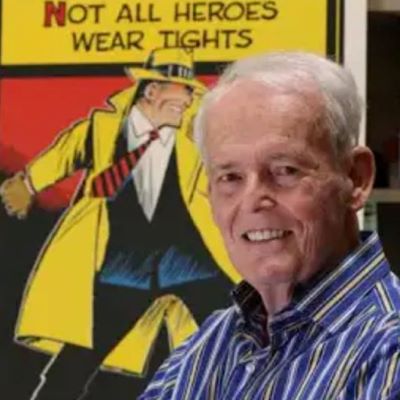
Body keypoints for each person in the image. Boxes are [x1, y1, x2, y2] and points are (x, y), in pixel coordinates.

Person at [139, 51, 400, 399]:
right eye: (231, 177)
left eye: (285, 170)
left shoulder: (390, 350)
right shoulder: (202, 350)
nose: (252, 201)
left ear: (356, 178)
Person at [0, 47, 237, 399]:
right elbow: (64, 154)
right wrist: (29, 184)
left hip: (191, 265)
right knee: (75, 364)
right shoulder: (103, 128)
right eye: (183, 92)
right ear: (152, 90)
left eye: (191, 93)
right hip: (125, 268)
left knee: (243, 343)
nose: (188, 100)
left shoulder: (194, 137)